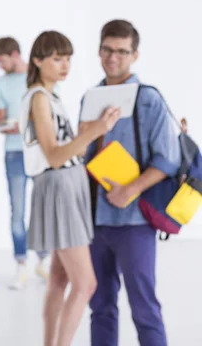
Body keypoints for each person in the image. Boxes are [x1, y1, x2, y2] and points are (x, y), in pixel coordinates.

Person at [82, 20, 180, 346]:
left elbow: (168, 159)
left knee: (144, 308)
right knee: (100, 307)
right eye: (108, 50)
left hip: (135, 220)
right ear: (99, 51)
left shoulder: (148, 99)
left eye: (122, 51)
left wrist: (130, 189)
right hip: (94, 221)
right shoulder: (91, 97)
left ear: (134, 55)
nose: (113, 57)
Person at [19, 30, 120, 346]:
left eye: (68, 58)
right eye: (57, 58)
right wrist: (94, 132)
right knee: (86, 283)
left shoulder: (51, 97)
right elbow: (55, 155)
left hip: (66, 186)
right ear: (38, 60)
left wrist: (87, 131)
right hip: (59, 187)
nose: (65, 65)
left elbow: (66, 148)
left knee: (60, 280)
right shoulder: (38, 97)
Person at [0, 37, 50, 290]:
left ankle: (44, 260)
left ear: (15, 54)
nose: (1, 66)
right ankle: (21, 263)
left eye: (3, 61)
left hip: (39, 152)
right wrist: (13, 125)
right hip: (14, 155)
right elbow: (1, 121)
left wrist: (30, 123)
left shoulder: (40, 80)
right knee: (18, 211)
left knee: (43, 208)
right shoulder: (0, 85)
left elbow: (50, 115)